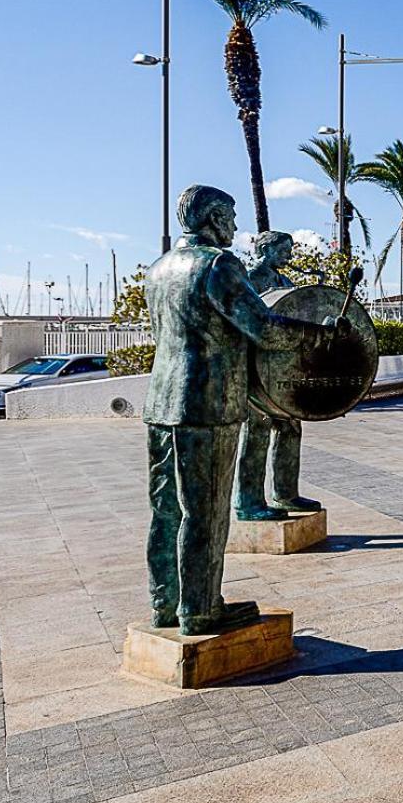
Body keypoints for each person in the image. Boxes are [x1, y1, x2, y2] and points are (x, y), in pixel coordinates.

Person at [143, 186, 342, 635]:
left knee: (166, 509)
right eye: (229, 217)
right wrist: (315, 334)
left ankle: (166, 604)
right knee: (206, 511)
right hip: (208, 403)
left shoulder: (158, 269)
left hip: (160, 403)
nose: (235, 227)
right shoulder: (218, 264)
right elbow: (264, 329)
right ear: (213, 218)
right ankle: (201, 610)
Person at [231, 231, 322, 522]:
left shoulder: (286, 282)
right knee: (255, 433)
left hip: (281, 370)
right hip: (256, 371)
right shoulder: (250, 279)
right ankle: (248, 501)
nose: (289, 256)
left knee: (290, 428)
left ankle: (285, 493)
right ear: (266, 249)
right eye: (284, 250)